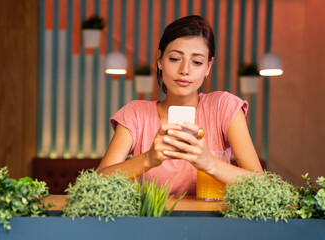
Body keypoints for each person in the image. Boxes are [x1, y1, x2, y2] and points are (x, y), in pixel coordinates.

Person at [97, 15, 263, 196]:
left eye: (197, 62)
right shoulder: (136, 114)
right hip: (150, 222)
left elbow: (260, 184)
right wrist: (148, 159)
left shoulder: (224, 106)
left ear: (208, 66)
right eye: (175, 59)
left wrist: (208, 162)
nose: (184, 70)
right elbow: (96, 183)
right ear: (160, 60)